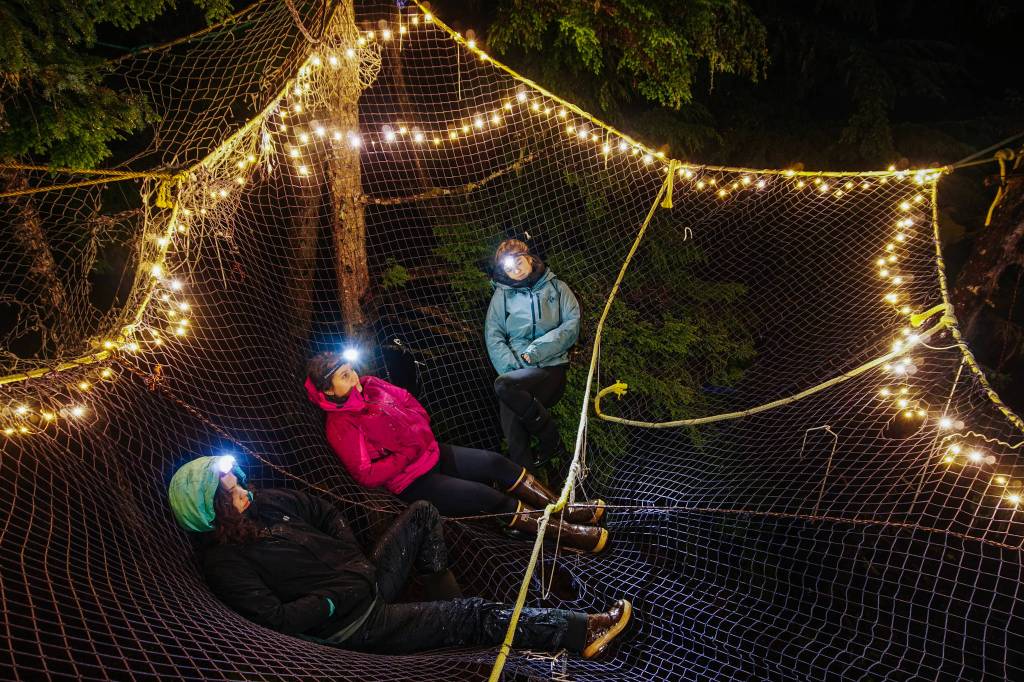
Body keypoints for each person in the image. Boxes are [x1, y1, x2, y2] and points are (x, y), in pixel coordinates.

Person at [167, 456, 632, 656]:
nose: (245, 492)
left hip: (367, 576)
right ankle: (583, 632)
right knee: (475, 614)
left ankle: (451, 612)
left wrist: (351, 551)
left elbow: (322, 511)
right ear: (212, 512)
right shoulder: (225, 563)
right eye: (233, 495)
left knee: (423, 513)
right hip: (355, 623)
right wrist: (332, 599)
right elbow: (276, 618)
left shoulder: (266, 503)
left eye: (239, 484)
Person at [304, 352, 608, 553]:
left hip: (431, 452)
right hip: (412, 480)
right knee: (488, 497)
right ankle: (567, 535)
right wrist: (406, 454)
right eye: (344, 376)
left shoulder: (372, 386)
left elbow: (408, 400)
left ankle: (565, 509)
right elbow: (366, 473)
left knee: (496, 463)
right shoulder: (340, 425)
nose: (354, 377)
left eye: (351, 370)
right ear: (328, 390)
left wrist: (419, 427)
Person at [484, 239, 581, 472]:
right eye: (509, 268)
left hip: (550, 369)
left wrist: (536, 350)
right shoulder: (502, 296)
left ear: (529, 258)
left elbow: (571, 325)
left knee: (505, 391)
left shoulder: (557, 287)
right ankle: (527, 480)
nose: (515, 270)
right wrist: (512, 368)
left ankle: (550, 439)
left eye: (518, 262)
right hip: (518, 372)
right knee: (509, 407)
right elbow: (493, 335)